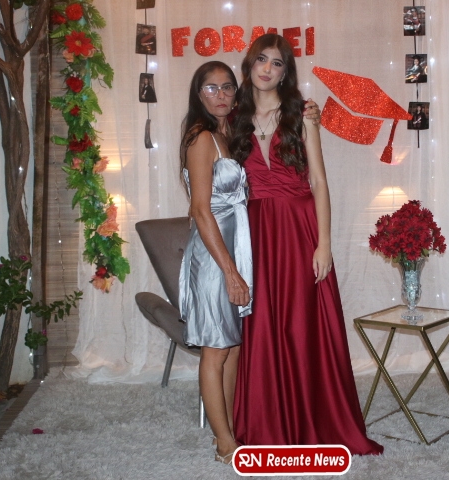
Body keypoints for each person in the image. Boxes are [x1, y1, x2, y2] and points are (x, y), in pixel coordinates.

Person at [230, 34, 384, 456]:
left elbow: (318, 181)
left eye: (277, 63)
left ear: (286, 72)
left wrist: (324, 243)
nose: (267, 69)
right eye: (261, 60)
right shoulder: (234, 119)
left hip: (300, 231)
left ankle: (313, 419)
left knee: (302, 325)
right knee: (262, 324)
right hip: (256, 233)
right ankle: (267, 423)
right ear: (249, 64)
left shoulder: (302, 114)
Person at [177, 61, 251, 464]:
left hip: (233, 251)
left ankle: (229, 431)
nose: (220, 95)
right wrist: (230, 272)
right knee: (216, 350)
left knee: (232, 346)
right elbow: (201, 211)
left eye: (226, 87)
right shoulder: (201, 137)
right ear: (198, 94)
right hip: (213, 258)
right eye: (211, 88)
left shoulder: (227, 135)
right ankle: (224, 443)